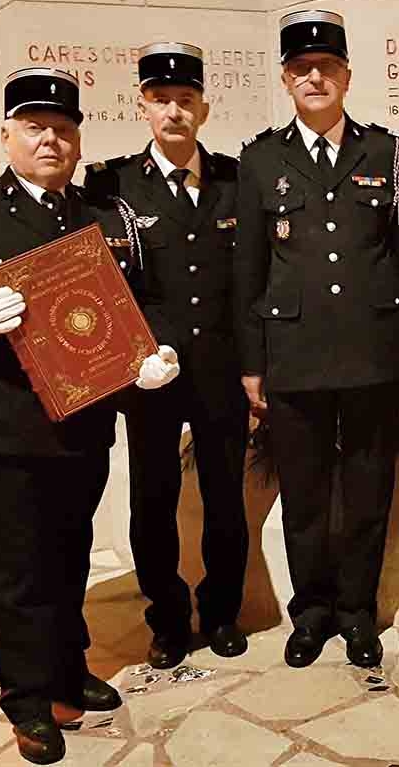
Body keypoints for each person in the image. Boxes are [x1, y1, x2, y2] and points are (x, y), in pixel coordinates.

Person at [0, 68, 180, 764]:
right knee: (15, 570)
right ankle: (27, 700)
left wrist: (146, 359)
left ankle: (65, 672)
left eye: (62, 128)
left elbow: (129, 305)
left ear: (78, 140)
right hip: (1, 425)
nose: (50, 139)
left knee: (69, 555)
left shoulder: (98, 217)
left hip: (81, 420)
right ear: (7, 135)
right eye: (34, 126)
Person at [233, 10, 399, 668]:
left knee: (368, 494)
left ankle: (358, 613)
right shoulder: (260, 159)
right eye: (302, 68)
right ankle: (311, 613)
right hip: (294, 356)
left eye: (327, 67)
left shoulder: (386, 152)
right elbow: (248, 269)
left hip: (369, 353)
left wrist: (398, 349)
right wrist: (252, 362)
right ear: (286, 79)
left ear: (346, 76)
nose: (315, 77)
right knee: (305, 497)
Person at [84, 42, 250, 670]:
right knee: (151, 499)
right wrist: (137, 352)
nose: (174, 112)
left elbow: (248, 282)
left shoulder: (235, 180)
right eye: (161, 101)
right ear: (142, 107)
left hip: (219, 373)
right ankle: (167, 619)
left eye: (185, 101)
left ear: (203, 109)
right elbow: (101, 284)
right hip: (148, 375)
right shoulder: (112, 185)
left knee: (224, 497)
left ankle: (223, 611)